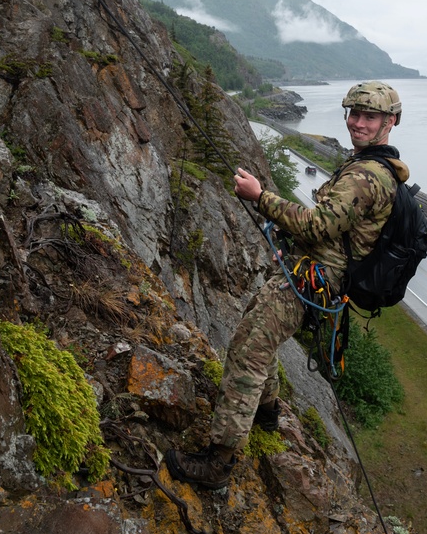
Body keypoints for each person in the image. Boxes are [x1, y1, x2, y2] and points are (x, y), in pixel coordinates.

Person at [165, 80, 410, 489]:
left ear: (391, 121)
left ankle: (219, 462)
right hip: (313, 277)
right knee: (258, 335)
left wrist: (260, 197)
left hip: (315, 279)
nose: (358, 123)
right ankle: (266, 411)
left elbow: (318, 226)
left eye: (369, 116)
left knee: (248, 351)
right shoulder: (373, 166)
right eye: (353, 113)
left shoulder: (366, 176)